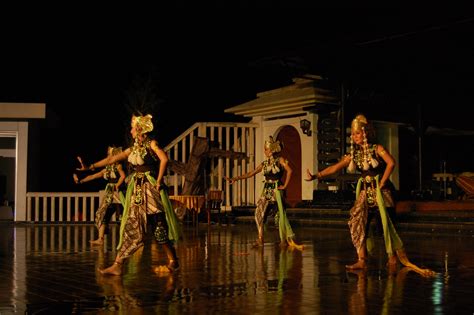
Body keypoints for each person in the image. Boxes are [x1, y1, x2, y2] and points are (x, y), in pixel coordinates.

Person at [306, 114, 434, 276]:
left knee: (384, 225)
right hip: (365, 192)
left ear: (365, 133)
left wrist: (382, 181)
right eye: (353, 134)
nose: (355, 136)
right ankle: (361, 259)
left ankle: (392, 255)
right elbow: (336, 167)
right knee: (357, 222)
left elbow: (391, 163)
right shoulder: (354, 154)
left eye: (357, 133)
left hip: (382, 192)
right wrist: (317, 176)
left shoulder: (377, 148)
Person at [77, 113, 181, 276]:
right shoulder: (132, 149)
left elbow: (164, 159)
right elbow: (112, 159)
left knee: (159, 230)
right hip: (137, 192)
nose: (131, 131)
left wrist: (159, 180)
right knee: (131, 227)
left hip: (150, 190)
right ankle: (118, 264)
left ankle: (173, 260)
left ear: (139, 129)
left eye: (133, 128)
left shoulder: (151, 144)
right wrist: (90, 166)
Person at [225, 136, 303, 250]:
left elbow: (290, 171)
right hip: (266, 189)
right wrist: (236, 178)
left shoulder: (280, 160)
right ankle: (260, 238)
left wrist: (285, 185)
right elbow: (252, 173)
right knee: (258, 212)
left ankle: (284, 240)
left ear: (271, 150)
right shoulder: (265, 163)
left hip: (276, 189)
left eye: (266, 149)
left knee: (280, 214)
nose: (265, 151)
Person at [73, 146, 126, 246]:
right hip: (110, 193)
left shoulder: (119, 166)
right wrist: (81, 181)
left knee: (122, 217)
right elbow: (94, 176)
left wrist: (117, 185)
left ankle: (126, 239)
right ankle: (100, 239)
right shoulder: (107, 168)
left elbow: (123, 176)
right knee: (102, 214)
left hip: (119, 194)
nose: (108, 156)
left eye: (109, 154)